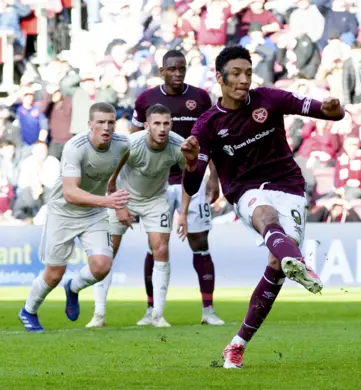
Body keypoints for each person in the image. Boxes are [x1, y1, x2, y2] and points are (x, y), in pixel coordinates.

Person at [180, 46, 345, 369]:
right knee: (266, 217)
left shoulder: (270, 99)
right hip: (245, 191)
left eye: (248, 73)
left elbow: (325, 112)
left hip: (290, 187)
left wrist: (334, 109)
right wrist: (189, 162)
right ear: (220, 79)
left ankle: (237, 344)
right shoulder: (207, 126)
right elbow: (192, 184)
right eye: (236, 74)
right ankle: (295, 259)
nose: (243, 81)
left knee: (275, 265)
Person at [129, 50, 223, 326]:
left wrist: (214, 177)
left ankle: (208, 310)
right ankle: (151, 310)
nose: (178, 73)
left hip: (192, 180)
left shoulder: (201, 97)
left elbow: (211, 138)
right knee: (155, 244)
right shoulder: (146, 99)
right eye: (172, 69)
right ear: (162, 71)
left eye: (182, 68)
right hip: (156, 183)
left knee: (200, 242)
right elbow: (133, 140)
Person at [18, 103, 130, 332]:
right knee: (54, 273)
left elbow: (117, 166)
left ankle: (74, 287)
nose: (106, 127)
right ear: (90, 124)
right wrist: (109, 202)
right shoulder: (74, 147)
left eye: (110, 122)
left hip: (94, 212)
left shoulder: (122, 144)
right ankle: (28, 310)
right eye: (100, 122)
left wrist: (113, 193)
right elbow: (70, 193)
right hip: (63, 213)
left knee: (101, 266)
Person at [87, 104, 186, 328]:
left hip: (156, 199)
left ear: (171, 124)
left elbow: (189, 176)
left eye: (166, 123)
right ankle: (99, 314)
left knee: (161, 248)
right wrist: (118, 204)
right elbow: (108, 177)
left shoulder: (178, 145)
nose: (162, 129)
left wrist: (184, 213)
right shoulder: (130, 144)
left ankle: (158, 315)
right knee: (106, 252)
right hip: (123, 196)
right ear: (147, 125)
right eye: (157, 124)